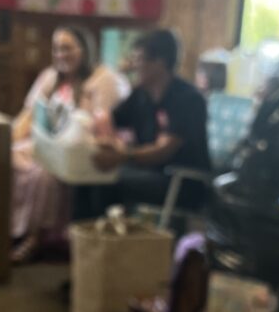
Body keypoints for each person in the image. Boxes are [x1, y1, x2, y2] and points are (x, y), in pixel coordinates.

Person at [11, 27, 128, 264]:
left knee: (44, 175)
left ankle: (34, 238)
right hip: (46, 145)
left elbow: (99, 125)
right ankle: (13, 230)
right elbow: (29, 113)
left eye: (67, 48)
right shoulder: (50, 77)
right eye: (56, 49)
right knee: (10, 157)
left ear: (84, 50)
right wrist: (8, 138)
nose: (60, 55)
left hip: (79, 150)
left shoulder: (103, 80)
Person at [75, 29, 210, 220]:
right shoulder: (141, 95)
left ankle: (104, 242)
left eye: (139, 59)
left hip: (180, 182)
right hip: (147, 172)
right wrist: (99, 136)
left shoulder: (188, 100)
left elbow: (163, 151)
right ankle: (82, 243)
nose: (133, 66)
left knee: (108, 182)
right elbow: (110, 117)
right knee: (86, 174)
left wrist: (122, 155)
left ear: (159, 62)